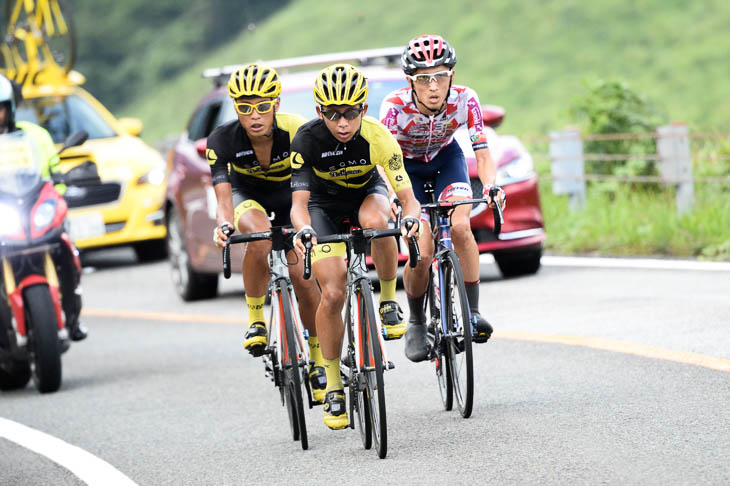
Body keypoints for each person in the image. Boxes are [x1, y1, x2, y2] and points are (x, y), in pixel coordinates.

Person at [290, 64, 421, 429]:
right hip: (323, 208)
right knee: (332, 294)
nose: (342, 123)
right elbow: (299, 205)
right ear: (319, 112)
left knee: (380, 224)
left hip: (367, 196)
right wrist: (302, 230)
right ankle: (333, 385)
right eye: (332, 114)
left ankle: (389, 299)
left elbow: (407, 197)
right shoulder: (305, 140)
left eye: (351, 113)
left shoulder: (378, 137)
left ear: (364, 109)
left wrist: (410, 218)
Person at [380, 34, 506, 363]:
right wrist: (396, 197)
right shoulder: (394, 107)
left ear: (452, 74)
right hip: (405, 169)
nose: (433, 86)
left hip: (446, 160)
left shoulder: (466, 99)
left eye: (441, 75)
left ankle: (473, 312)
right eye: (424, 79)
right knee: (420, 249)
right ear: (410, 81)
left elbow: (481, 151)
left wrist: (491, 186)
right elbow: (385, 161)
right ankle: (418, 322)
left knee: (461, 226)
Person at [208, 64, 326, 401]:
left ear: (276, 103)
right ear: (236, 109)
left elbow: (314, 183)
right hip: (250, 198)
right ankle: (257, 319)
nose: (254, 115)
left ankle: (318, 359)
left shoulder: (296, 130)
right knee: (258, 236)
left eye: (262, 105)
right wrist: (224, 225)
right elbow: (223, 196)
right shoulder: (222, 139)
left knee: (304, 280)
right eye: (244, 108)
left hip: (291, 196)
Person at [0, 73, 86, 341]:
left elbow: (52, 173)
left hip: (33, 209)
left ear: (10, 107)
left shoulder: (35, 135)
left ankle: (72, 316)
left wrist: (60, 185)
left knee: (65, 248)